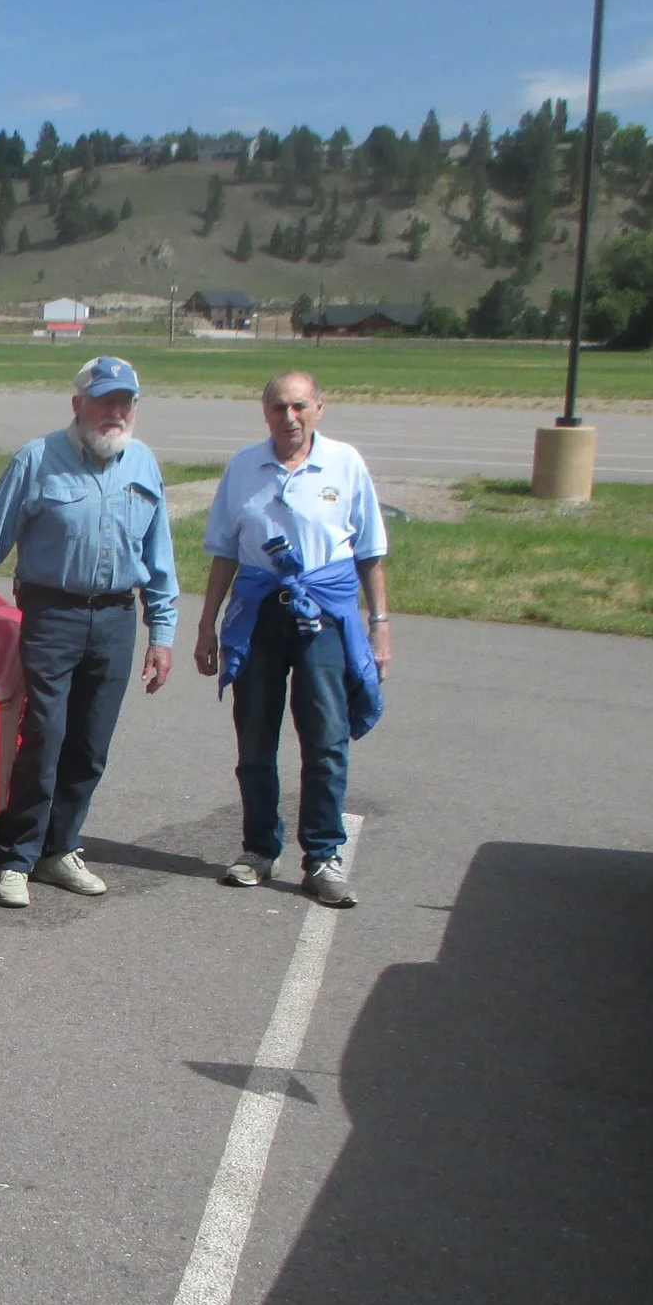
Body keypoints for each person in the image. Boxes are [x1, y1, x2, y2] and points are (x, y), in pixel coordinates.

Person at [0, 354, 178, 908]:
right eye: (105, 401)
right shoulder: (36, 460)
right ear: (78, 405)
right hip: (53, 617)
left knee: (91, 745)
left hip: (116, 620)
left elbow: (160, 561)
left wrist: (161, 633)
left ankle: (59, 850)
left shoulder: (143, 465)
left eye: (126, 402)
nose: (115, 412)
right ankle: (16, 859)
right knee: (44, 737)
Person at [192, 370, 389, 908]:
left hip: (322, 614)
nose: (290, 417)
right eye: (279, 407)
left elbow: (370, 551)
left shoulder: (345, 465)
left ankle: (322, 856)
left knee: (325, 738)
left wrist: (380, 625)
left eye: (300, 406)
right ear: (265, 413)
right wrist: (208, 625)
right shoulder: (243, 467)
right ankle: (258, 848)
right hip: (259, 611)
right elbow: (224, 552)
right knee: (255, 736)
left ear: (319, 408)